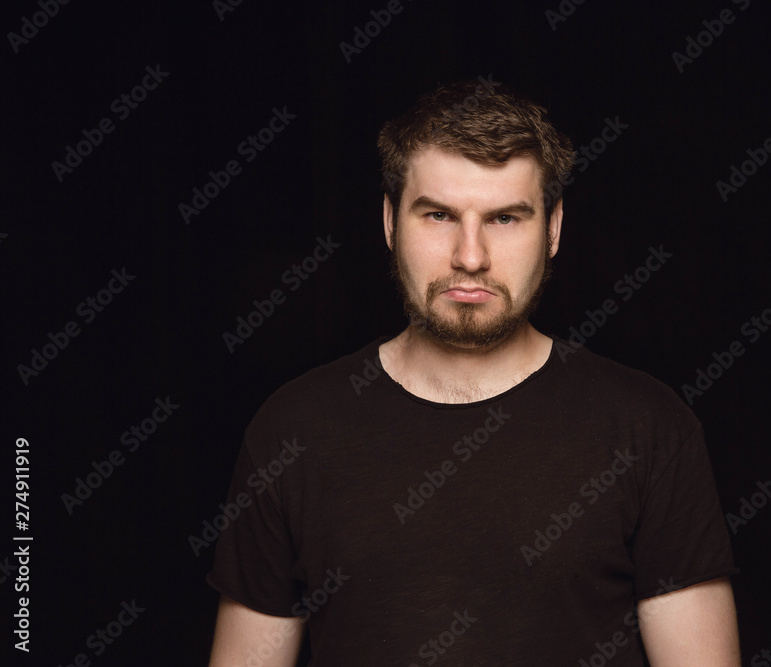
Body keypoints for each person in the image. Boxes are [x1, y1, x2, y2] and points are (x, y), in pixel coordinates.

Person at [206, 79, 740, 666]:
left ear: (554, 228)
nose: (470, 256)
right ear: (389, 222)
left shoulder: (650, 430)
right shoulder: (291, 430)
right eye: (438, 215)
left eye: (505, 219)